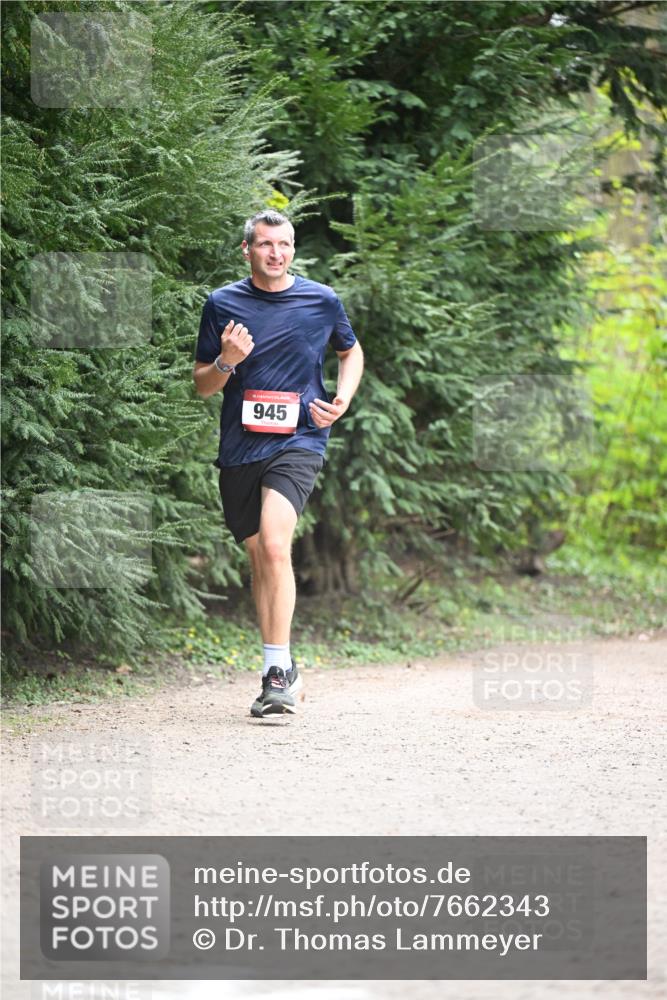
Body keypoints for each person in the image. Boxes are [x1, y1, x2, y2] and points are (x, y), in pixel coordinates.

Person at [193, 210, 364, 718]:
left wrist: (342, 400)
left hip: (301, 438)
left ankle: (275, 673)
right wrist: (226, 360)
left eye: (284, 244)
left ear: (293, 249)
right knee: (259, 557)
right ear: (247, 250)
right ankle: (284, 666)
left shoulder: (321, 299)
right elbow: (203, 385)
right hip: (240, 447)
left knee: (273, 543)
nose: (276, 253)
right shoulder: (222, 303)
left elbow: (350, 352)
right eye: (266, 244)